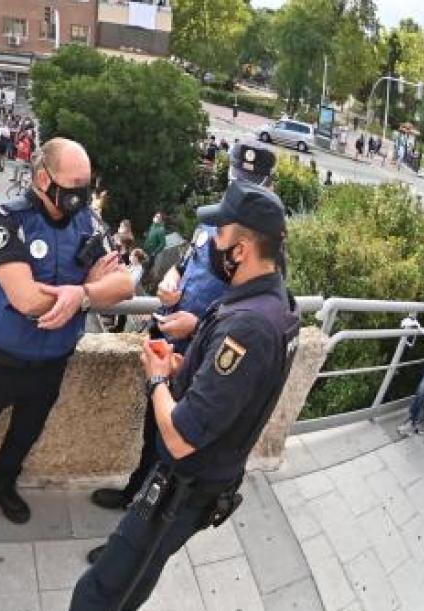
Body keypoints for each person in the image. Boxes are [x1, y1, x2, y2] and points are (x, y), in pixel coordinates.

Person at [71, 181, 300, 610]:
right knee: (133, 576)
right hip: (200, 479)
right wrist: (185, 362)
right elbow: (237, 388)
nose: (213, 243)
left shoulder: (248, 327)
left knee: (102, 593)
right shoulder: (275, 301)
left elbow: (180, 436)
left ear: (244, 249)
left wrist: (158, 378)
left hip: (185, 486)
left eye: (221, 235)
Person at [0, 138, 134, 537]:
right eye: (72, 185)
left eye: (85, 185)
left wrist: (83, 293)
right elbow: (25, 299)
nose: (80, 195)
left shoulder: (88, 223)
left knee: (24, 435)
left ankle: (2, 486)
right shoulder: (7, 220)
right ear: (42, 178)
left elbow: (124, 287)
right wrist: (86, 287)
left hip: (52, 362)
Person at [84, 141, 277, 561]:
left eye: (248, 183)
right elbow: (188, 262)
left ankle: (130, 539)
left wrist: (198, 322)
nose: (237, 188)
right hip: (171, 336)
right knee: (154, 433)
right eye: (235, 180)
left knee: (172, 450)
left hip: (203, 351)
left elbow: (250, 305)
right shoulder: (217, 221)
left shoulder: (265, 241)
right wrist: (171, 284)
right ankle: (134, 492)